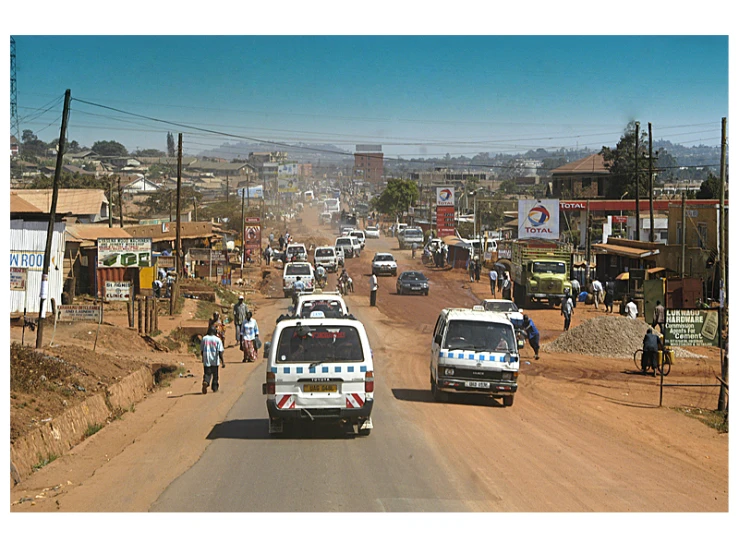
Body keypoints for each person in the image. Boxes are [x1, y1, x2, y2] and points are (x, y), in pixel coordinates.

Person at [201, 326, 225, 394]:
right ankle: (214, 387)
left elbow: (202, 350)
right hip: (215, 360)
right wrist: (222, 361)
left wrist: (203, 357)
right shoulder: (217, 340)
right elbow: (220, 352)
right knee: (215, 375)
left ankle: (206, 381)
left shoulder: (204, 338)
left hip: (207, 359)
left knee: (207, 373)